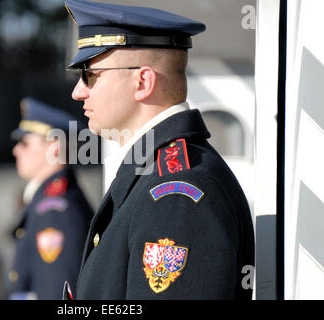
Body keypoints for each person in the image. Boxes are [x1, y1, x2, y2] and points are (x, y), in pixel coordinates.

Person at [63, 0, 255, 299]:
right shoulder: (153, 172)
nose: (78, 91)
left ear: (143, 82)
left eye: (90, 74)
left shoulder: (176, 192)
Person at [7, 96, 93, 300]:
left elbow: (56, 292)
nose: (16, 149)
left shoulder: (55, 211)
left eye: (24, 143)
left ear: (54, 147)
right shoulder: (46, 201)